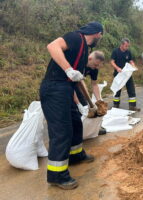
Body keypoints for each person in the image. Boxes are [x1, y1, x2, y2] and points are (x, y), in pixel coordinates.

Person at [39, 22, 103, 190]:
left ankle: (75, 155)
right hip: (54, 88)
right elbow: (52, 46)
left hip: (65, 90)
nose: (100, 39)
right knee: (61, 132)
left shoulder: (85, 51)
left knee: (75, 122)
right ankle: (56, 175)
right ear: (97, 34)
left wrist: (86, 105)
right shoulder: (76, 37)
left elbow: (75, 81)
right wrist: (68, 69)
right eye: (100, 36)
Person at [111, 38, 140, 111]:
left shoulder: (128, 52)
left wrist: (133, 65)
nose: (127, 47)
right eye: (126, 46)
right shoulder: (115, 51)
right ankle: (116, 105)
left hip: (127, 74)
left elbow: (130, 60)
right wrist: (117, 68)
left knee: (131, 89)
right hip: (118, 73)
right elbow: (112, 62)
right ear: (122, 45)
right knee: (117, 89)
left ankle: (132, 106)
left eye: (128, 46)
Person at [74, 50, 106, 117]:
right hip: (67, 85)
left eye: (98, 65)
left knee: (86, 109)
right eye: (95, 65)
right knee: (76, 110)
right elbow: (78, 84)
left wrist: (99, 101)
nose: (96, 67)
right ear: (89, 58)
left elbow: (94, 84)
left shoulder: (94, 68)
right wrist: (78, 103)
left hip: (78, 85)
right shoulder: (80, 63)